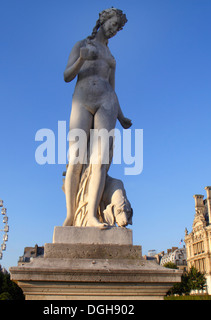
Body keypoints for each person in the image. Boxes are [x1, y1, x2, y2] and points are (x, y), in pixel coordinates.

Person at [63, 8, 132, 228]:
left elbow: (113, 89)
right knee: (75, 158)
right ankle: (70, 215)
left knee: (100, 161)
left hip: (107, 103)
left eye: (117, 29)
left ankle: (91, 214)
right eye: (112, 25)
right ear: (103, 21)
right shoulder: (81, 45)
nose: (114, 31)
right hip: (82, 100)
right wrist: (81, 59)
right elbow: (67, 76)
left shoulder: (111, 58)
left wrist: (121, 116)